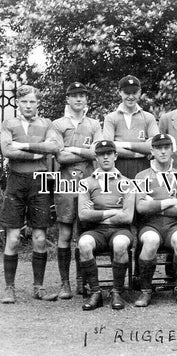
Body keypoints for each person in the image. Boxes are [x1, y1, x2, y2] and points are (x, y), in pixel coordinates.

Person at [0, 85, 61, 304]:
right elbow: (7, 151)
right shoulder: (9, 123)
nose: (28, 105)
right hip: (16, 181)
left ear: (38, 103)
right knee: (14, 238)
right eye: (24, 102)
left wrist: (24, 147)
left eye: (32, 102)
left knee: (40, 237)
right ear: (18, 103)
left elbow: (54, 146)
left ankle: (39, 287)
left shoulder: (47, 124)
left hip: (40, 180)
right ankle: (9, 288)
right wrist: (37, 151)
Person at [52, 82, 104, 299]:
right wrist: (85, 151)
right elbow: (60, 156)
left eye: (82, 95)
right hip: (66, 185)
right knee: (65, 234)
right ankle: (65, 283)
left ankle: (82, 280)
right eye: (74, 96)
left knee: (84, 233)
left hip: (88, 185)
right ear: (68, 99)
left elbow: (98, 152)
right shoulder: (57, 124)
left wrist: (73, 149)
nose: (79, 99)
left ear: (86, 99)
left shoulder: (94, 124)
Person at [134, 134, 177, 307]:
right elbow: (141, 207)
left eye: (167, 147)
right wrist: (169, 201)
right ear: (152, 151)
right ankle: (146, 290)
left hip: (173, 226)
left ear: (172, 150)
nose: (163, 151)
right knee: (150, 241)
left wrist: (154, 203)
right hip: (150, 225)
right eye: (159, 148)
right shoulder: (141, 176)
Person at [77, 140, 135, 311]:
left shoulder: (127, 182)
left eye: (109, 153)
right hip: (96, 231)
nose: (105, 157)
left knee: (120, 244)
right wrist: (112, 212)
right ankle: (96, 293)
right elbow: (83, 215)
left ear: (116, 156)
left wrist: (97, 214)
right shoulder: (86, 183)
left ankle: (117, 292)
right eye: (101, 154)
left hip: (120, 231)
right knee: (84, 244)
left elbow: (128, 217)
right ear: (96, 157)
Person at [103, 75, 159, 179]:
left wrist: (121, 145)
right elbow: (108, 148)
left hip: (143, 168)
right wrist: (139, 152)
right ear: (120, 92)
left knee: (141, 195)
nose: (131, 97)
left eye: (134, 92)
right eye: (127, 93)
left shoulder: (148, 117)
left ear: (139, 92)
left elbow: (154, 146)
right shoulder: (110, 118)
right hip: (118, 168)